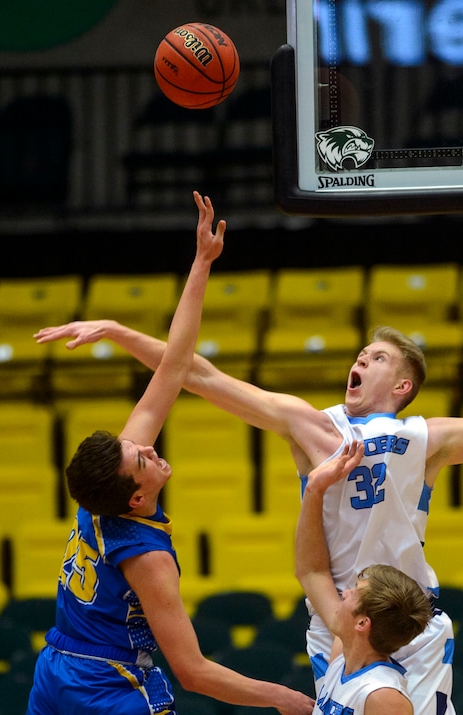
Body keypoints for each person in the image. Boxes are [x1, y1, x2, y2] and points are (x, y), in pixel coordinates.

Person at [34, 298, 463, 715]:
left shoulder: (425, 438)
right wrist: (122, 333)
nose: (360, 360)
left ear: (401, 385)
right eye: (360, 353)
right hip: (338, 618)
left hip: (410, 618)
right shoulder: (310, 425)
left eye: (377, 358)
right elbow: (194, 374)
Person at [27, 191, 314, 715]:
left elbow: (175, 367)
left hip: (54, 671)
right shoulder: (148, 557)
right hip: (109, 686)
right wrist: (287, 699)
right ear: (136, 498)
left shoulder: (104, 488)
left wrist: (201, 263)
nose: (146, 446)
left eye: (133, 445)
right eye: (140, 459)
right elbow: (192, 672)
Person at [296, 439, 433, 715]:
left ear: (362, 623)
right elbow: (311, 571)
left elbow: (314, 573)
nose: (344, 593)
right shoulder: (342, 662)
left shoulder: (383, 696)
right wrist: (314, 489)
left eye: (354, 592)